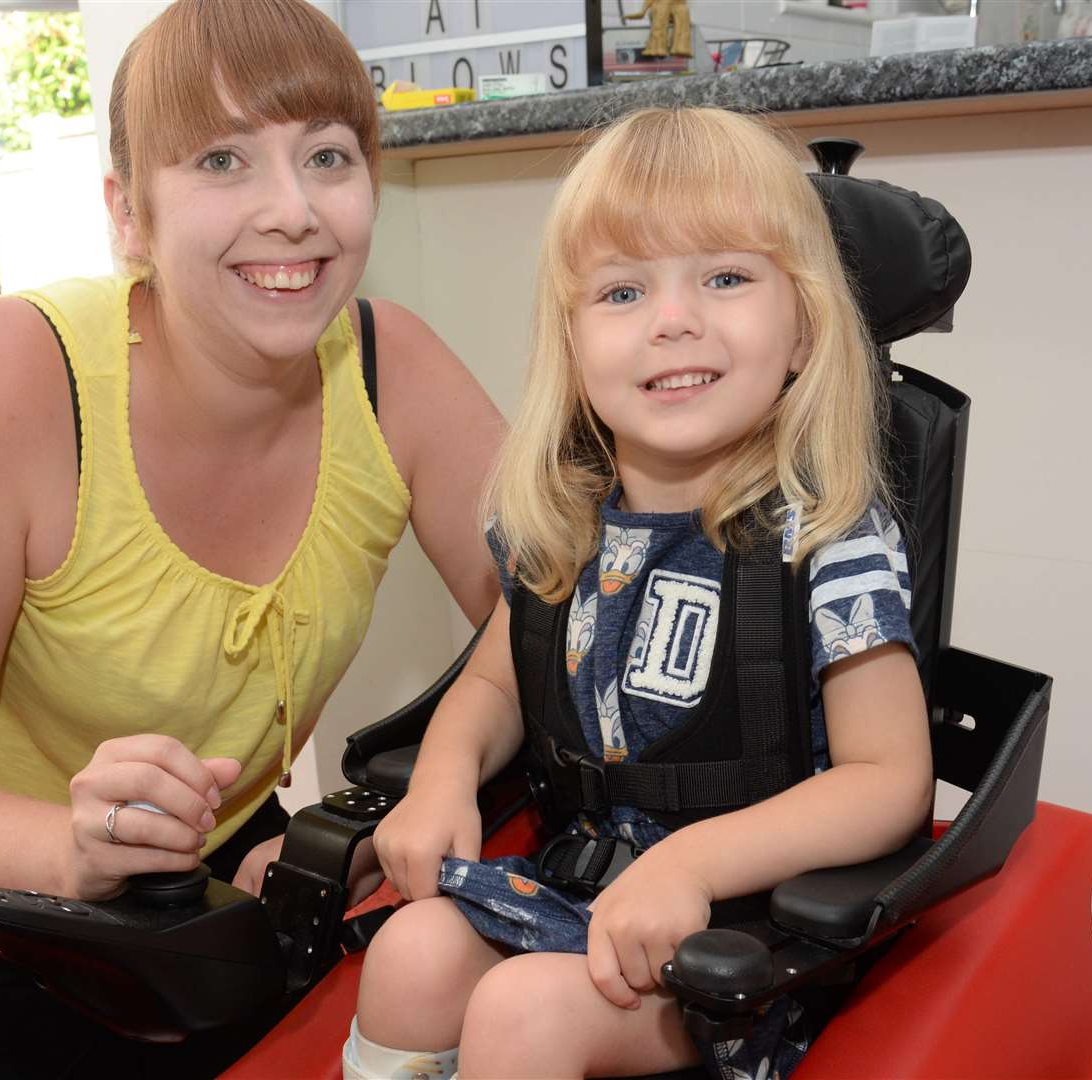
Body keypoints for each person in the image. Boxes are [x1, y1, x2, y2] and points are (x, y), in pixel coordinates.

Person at [0, 2, 502, 1077]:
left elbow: (568, 620)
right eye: (222, 160)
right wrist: (68, 851)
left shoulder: (396, 371)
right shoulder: (4, 379)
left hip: (176, 865)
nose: (292, 210)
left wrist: (430, 778)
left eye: (327, 156)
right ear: (130, 214)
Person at [345, 107, 934, 1080]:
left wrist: (690, 867)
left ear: (802, 330)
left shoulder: (828, 537)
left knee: (524, 1016)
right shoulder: (565, 524)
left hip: (748, 947)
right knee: (409, 956)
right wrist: (445, 779)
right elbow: (491, 690)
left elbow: (890, 779)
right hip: (586, 890)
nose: (673, 320)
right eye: (623, 291)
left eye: (727, 277)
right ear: (572, 347)